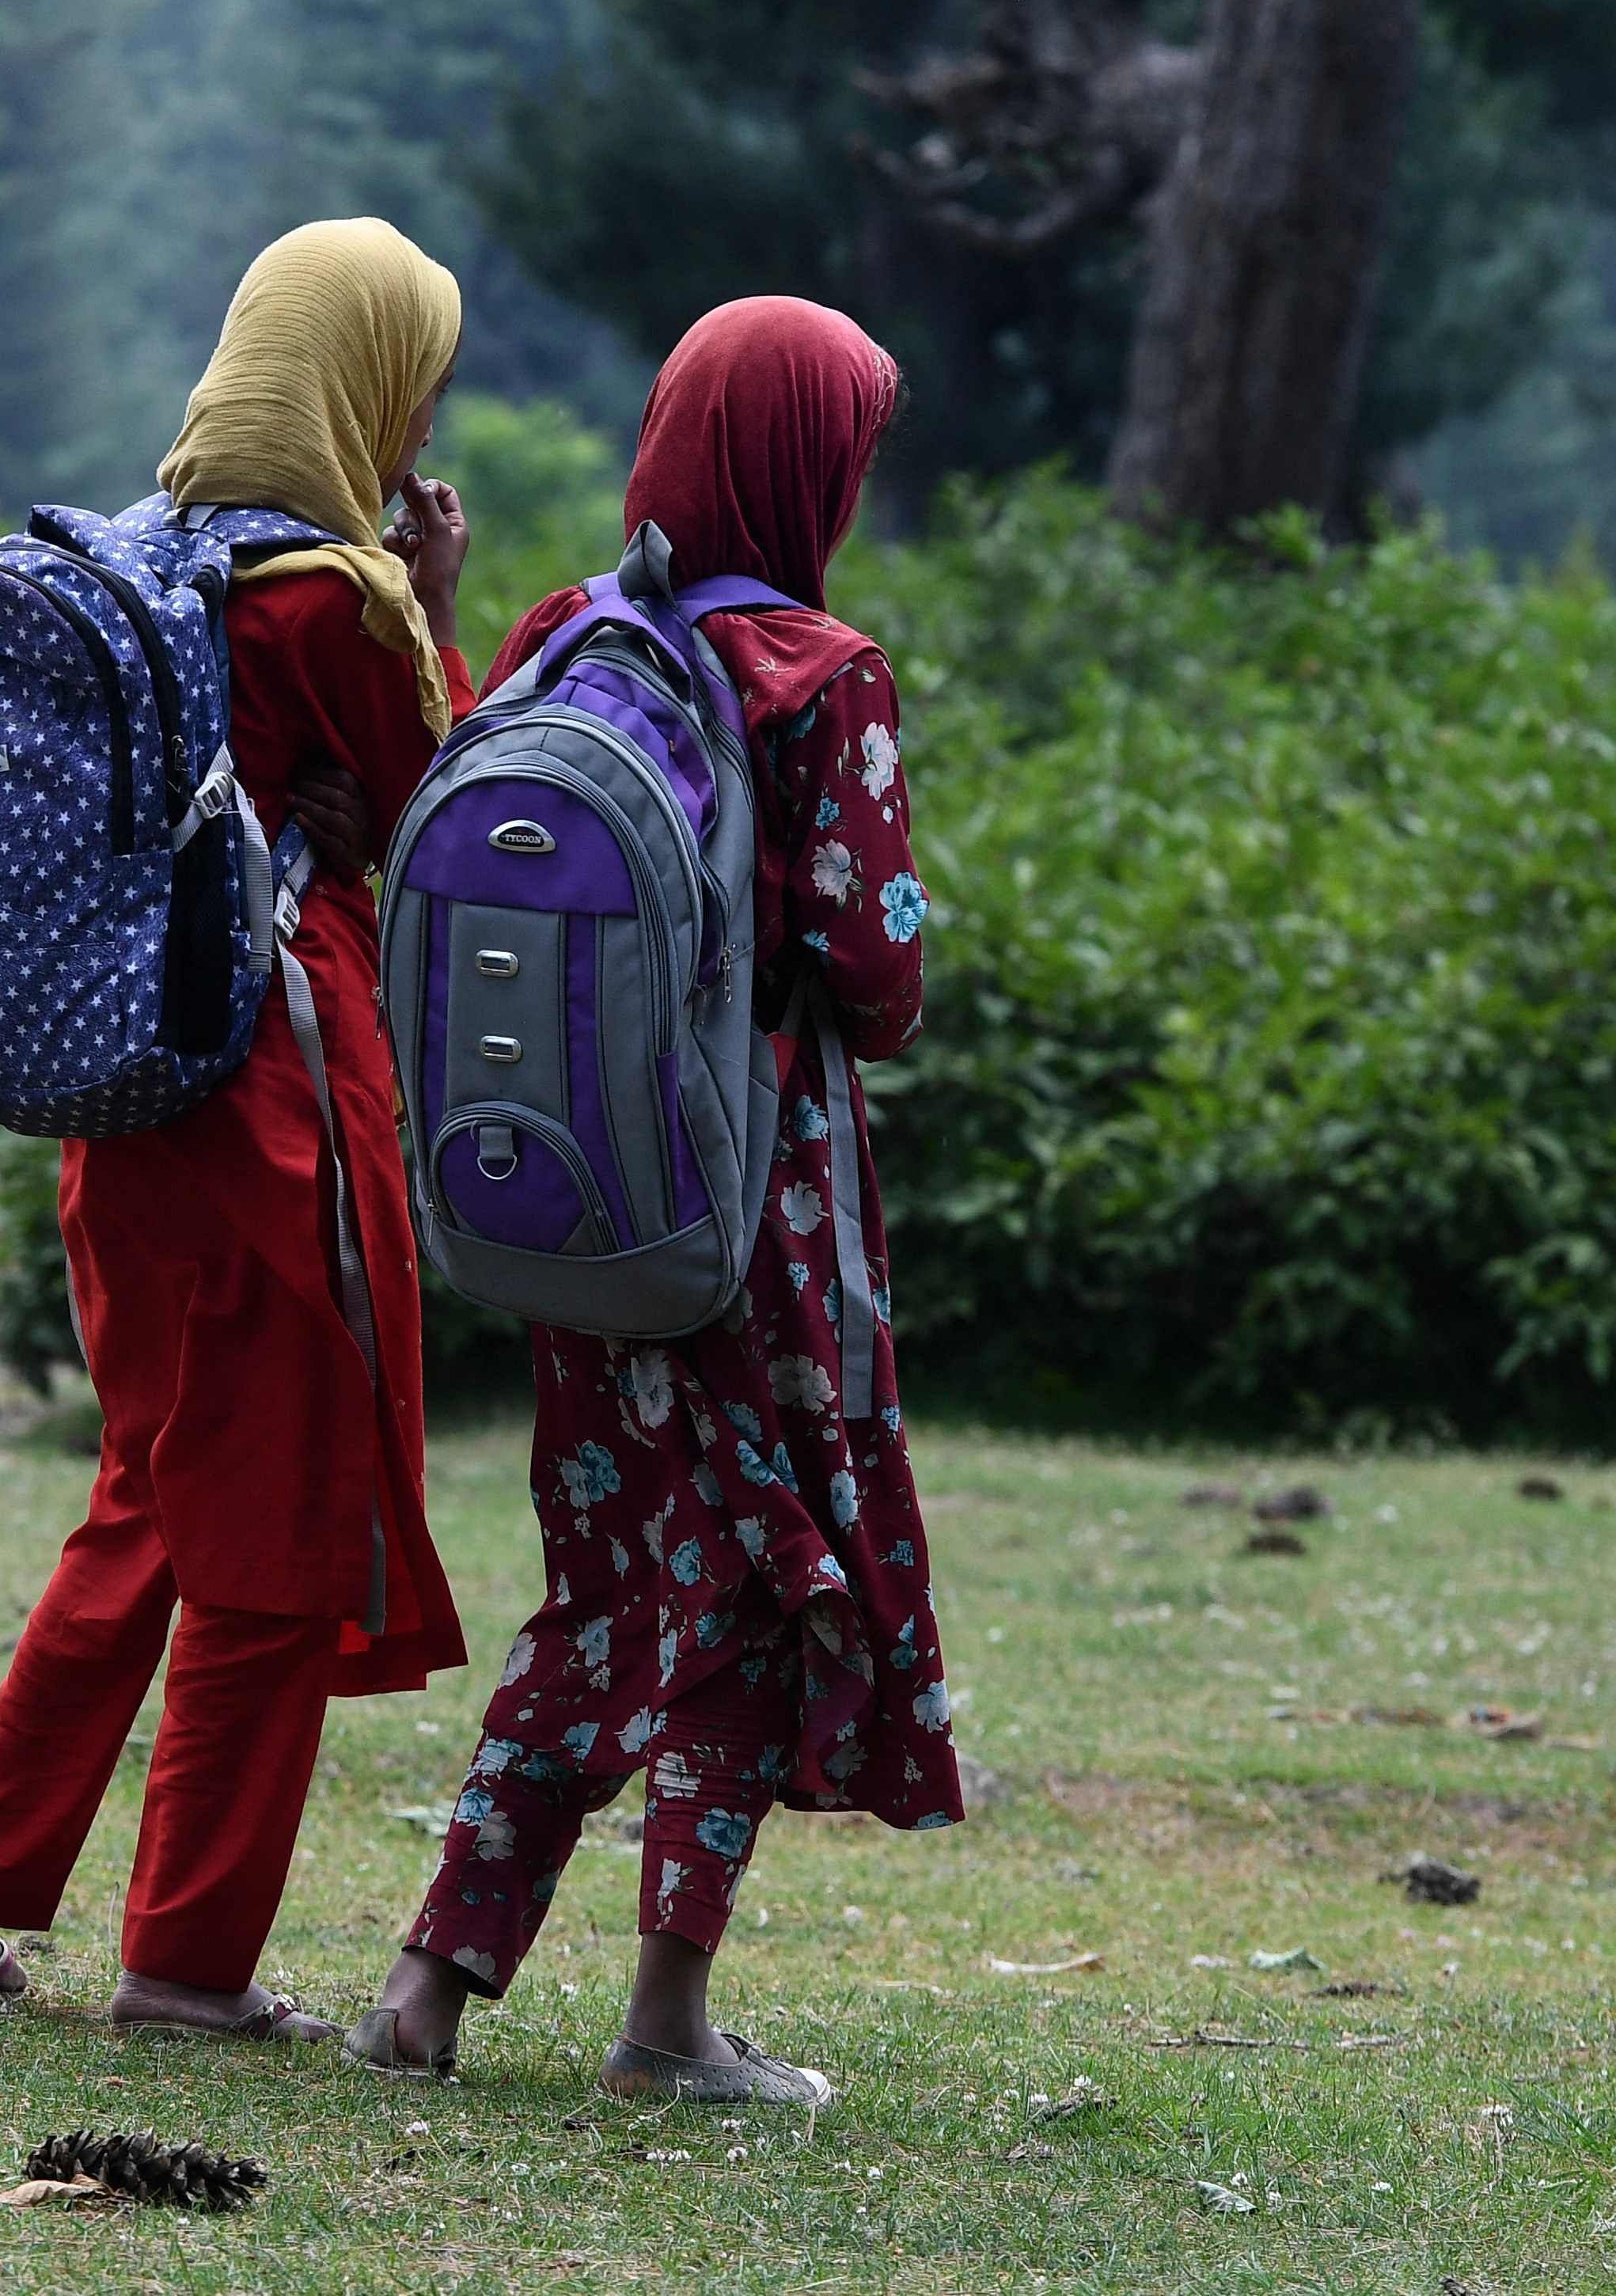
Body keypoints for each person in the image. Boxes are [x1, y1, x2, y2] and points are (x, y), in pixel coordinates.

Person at [347, 294, 964, 2105]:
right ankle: (664, 2025)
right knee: (771, 1594)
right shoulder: (814, 673)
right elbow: (877, 976)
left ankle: (426, 1987)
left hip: (580, 1206)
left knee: (605, 1593)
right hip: (752, 1228)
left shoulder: (567, 634)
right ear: (803, 460)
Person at [0, 218, 478, 2040]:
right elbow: (435, 821)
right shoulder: (331, 596)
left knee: (143, 1503)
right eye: (413, 383)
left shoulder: (138, 563)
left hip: (130, 1101)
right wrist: (432, 602)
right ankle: (186, 1968)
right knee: (277, 1535)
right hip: (279, 1105)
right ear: (362, 382)